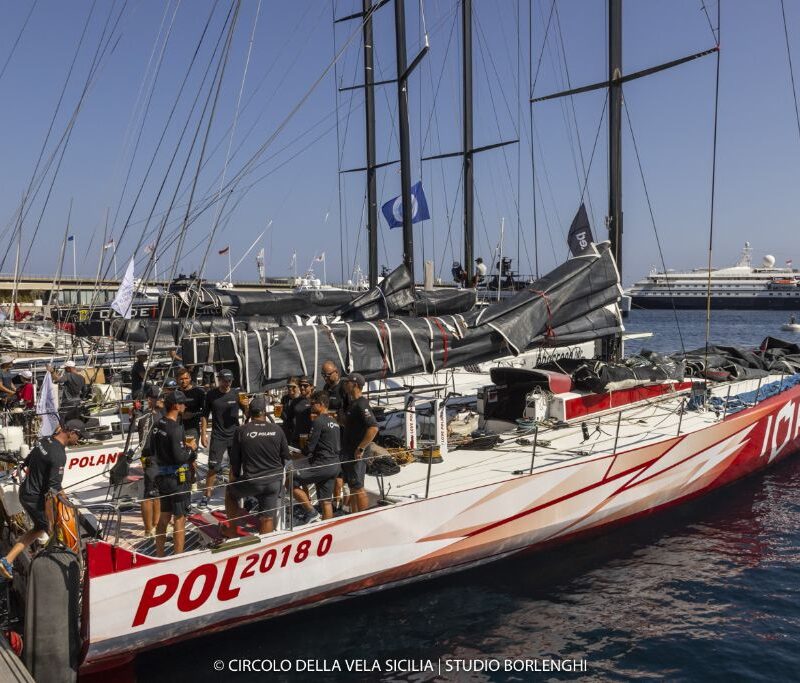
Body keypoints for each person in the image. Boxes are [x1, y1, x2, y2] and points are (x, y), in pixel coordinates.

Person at [0, 420, 87, 580]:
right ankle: (62, 573)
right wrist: (51, 520)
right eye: (79, 436)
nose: (78, 440)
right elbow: (51, 491)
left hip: (25, 492)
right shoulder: (59, 455)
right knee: (56, 533)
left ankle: (7, 560)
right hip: (35, 499)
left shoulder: (44, 440)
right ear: (71, 432)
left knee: (38, 529)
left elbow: (28, 463)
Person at [225, 396, 289, 535]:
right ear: (265, 412)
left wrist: (235, 478)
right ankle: (267, 547)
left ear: (249, 412)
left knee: (230, 493)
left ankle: (231, 530)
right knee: (267, 518)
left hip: (253, 482)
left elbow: (235, 461)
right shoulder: (277, 430)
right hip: (274, 481)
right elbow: (286, 457)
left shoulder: (241, 431)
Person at [152, 390, 194, 556]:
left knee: (164, 517)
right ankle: (178, 556)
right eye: (183, 403)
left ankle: (160, 554)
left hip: (162, 477)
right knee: (179, 518)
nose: (185, 405)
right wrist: (192, 451)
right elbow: (180, 457)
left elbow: (152, 450)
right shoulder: (175, 428)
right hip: (177, 480)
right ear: (176, 405)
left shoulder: (158, 425)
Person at [292, 392, 341, 522]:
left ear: (321, 404)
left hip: (322, 464)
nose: (311, 406)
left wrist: (298, 454)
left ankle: (311, 511)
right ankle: (327, 528)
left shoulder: (318, 421)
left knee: (290, 479)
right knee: (326, 502)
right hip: (334, 465)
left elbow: (310, 448)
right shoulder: (334, 422)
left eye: (314, 403)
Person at [200, 369, 243, 506]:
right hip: (218, 436)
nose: (227, 383)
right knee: (213, 467)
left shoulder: (237, 393)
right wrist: (203, 433)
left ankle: (232, 492)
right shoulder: (211, 394)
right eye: (225, 380)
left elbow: (248, 412)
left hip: (234, 435)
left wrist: (246, 406)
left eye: (229, 381)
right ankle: (207, 494)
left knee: (234, 465)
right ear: (219, 379)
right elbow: (205, 415)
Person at [341, 373, 378, 513]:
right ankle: (354, 515)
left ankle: (363, 517)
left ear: (355, 385)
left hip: (357, 453)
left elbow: (373, 427)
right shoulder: (353, 404)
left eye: (347, 382)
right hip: (349, 452)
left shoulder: (362, 404)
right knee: (353, 487)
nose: (345, 384)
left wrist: (361, 448)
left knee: (358, 486)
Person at [137, 385, 163, 537]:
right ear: (149, 399)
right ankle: (148, 529)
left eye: (161, 397)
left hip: (159, 458)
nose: (160, 400)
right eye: (156, 397)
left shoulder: (161, 412)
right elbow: (145, 442)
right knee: (149, 492)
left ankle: (156, 524)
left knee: (158, 492)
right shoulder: (147, 416)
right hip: (150, 457)